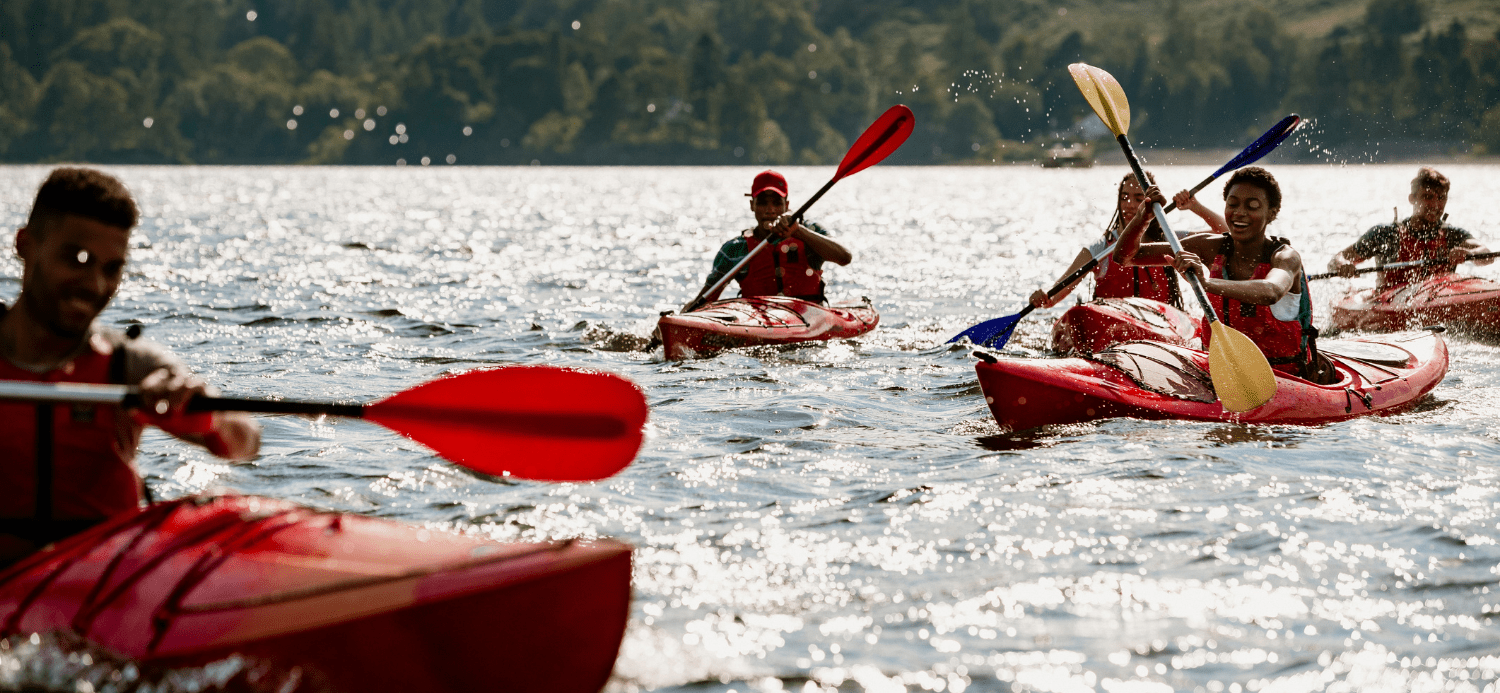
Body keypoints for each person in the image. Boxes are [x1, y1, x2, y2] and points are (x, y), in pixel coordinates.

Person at [0, 168, 261, 567]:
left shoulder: (131, 366)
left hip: (100, 590)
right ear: (26, 246)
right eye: (79, 259)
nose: (95, 285)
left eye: (111, 268)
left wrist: (205, 415)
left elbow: (247, 440)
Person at [1115, 166, 1334, 383]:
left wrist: (1205, 283)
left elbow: (1271, 291)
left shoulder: (1286, 257)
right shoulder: (1210, 247)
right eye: (1233, 204)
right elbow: (1126, 257)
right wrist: (1143, 217)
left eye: (1253, 206)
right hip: (1219, 375)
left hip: (1285, 378)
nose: (1240, 213)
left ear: (1272, 212)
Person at [1029, 171, 1227, 309]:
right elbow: (1056, 296)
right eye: (1124, 197)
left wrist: (1196, 206)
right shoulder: (1099, 248)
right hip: (1109, 321)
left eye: (1138, 198)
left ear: (1151, 204)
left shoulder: (1171, 240)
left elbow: (1223, 235)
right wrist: (1044, 298)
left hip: (1161, 323)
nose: (1130, 205)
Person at [692, 170, 852, 306]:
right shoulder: (734, 249)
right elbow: (704, 300)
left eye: (777, 203)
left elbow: (844, 257)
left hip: (809, 318)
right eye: (762, 203)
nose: (770, 210)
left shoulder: (810, 231)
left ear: (786, 205)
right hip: (756, 324)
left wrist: (799, 231)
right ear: (752, 205)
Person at [1327, 167, 1492, 289]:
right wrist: (1343, 265)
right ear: (1412, 198)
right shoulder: (1386, 234)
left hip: (1440, 297)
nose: (1435, 205)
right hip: (1389, 301)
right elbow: (1337, 258)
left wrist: (1469, 254)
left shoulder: (1452, 234)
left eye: (1441, 198)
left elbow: (1486, 253)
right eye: (1427, 197)